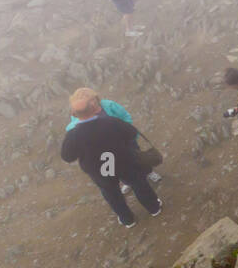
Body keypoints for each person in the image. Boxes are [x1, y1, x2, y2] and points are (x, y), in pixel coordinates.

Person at [60, 95, 162, 227]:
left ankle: (127, 220)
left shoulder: (73, 135)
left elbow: (67, 156)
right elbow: (131, 133)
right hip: (123, 161)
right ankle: (154, 208)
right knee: (138, 183)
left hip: (99, 170)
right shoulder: (110, 122)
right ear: (94, 108)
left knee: (111, 193)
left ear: (74, 114)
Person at [65, 88, 162, 192]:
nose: (92, 103)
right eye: (88, 102)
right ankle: (127, 181)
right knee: (116, 165)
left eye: (93, 99)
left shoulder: (109, 105)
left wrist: (127, 135)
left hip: (125, 141)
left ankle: (149, 172)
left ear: (96, 97)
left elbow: (125, 117)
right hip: (104, 149)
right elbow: (74, 130)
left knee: (138, 157)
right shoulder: (77, 116)